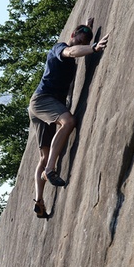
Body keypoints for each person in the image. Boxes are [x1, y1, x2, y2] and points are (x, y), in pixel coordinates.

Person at [28, 17, 110, 218]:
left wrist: (88, 30)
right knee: (69, 121)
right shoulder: (60, 48)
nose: (82, 43)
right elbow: (71, 50)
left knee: (44, 154)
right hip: (43, 100)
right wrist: (93, 48)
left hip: (42, 105)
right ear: (72, 35)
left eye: (85, 42)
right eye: (80, 39)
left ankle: (39, 201)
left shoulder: (74, 51)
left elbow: (77, 45)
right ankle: (50, 170)